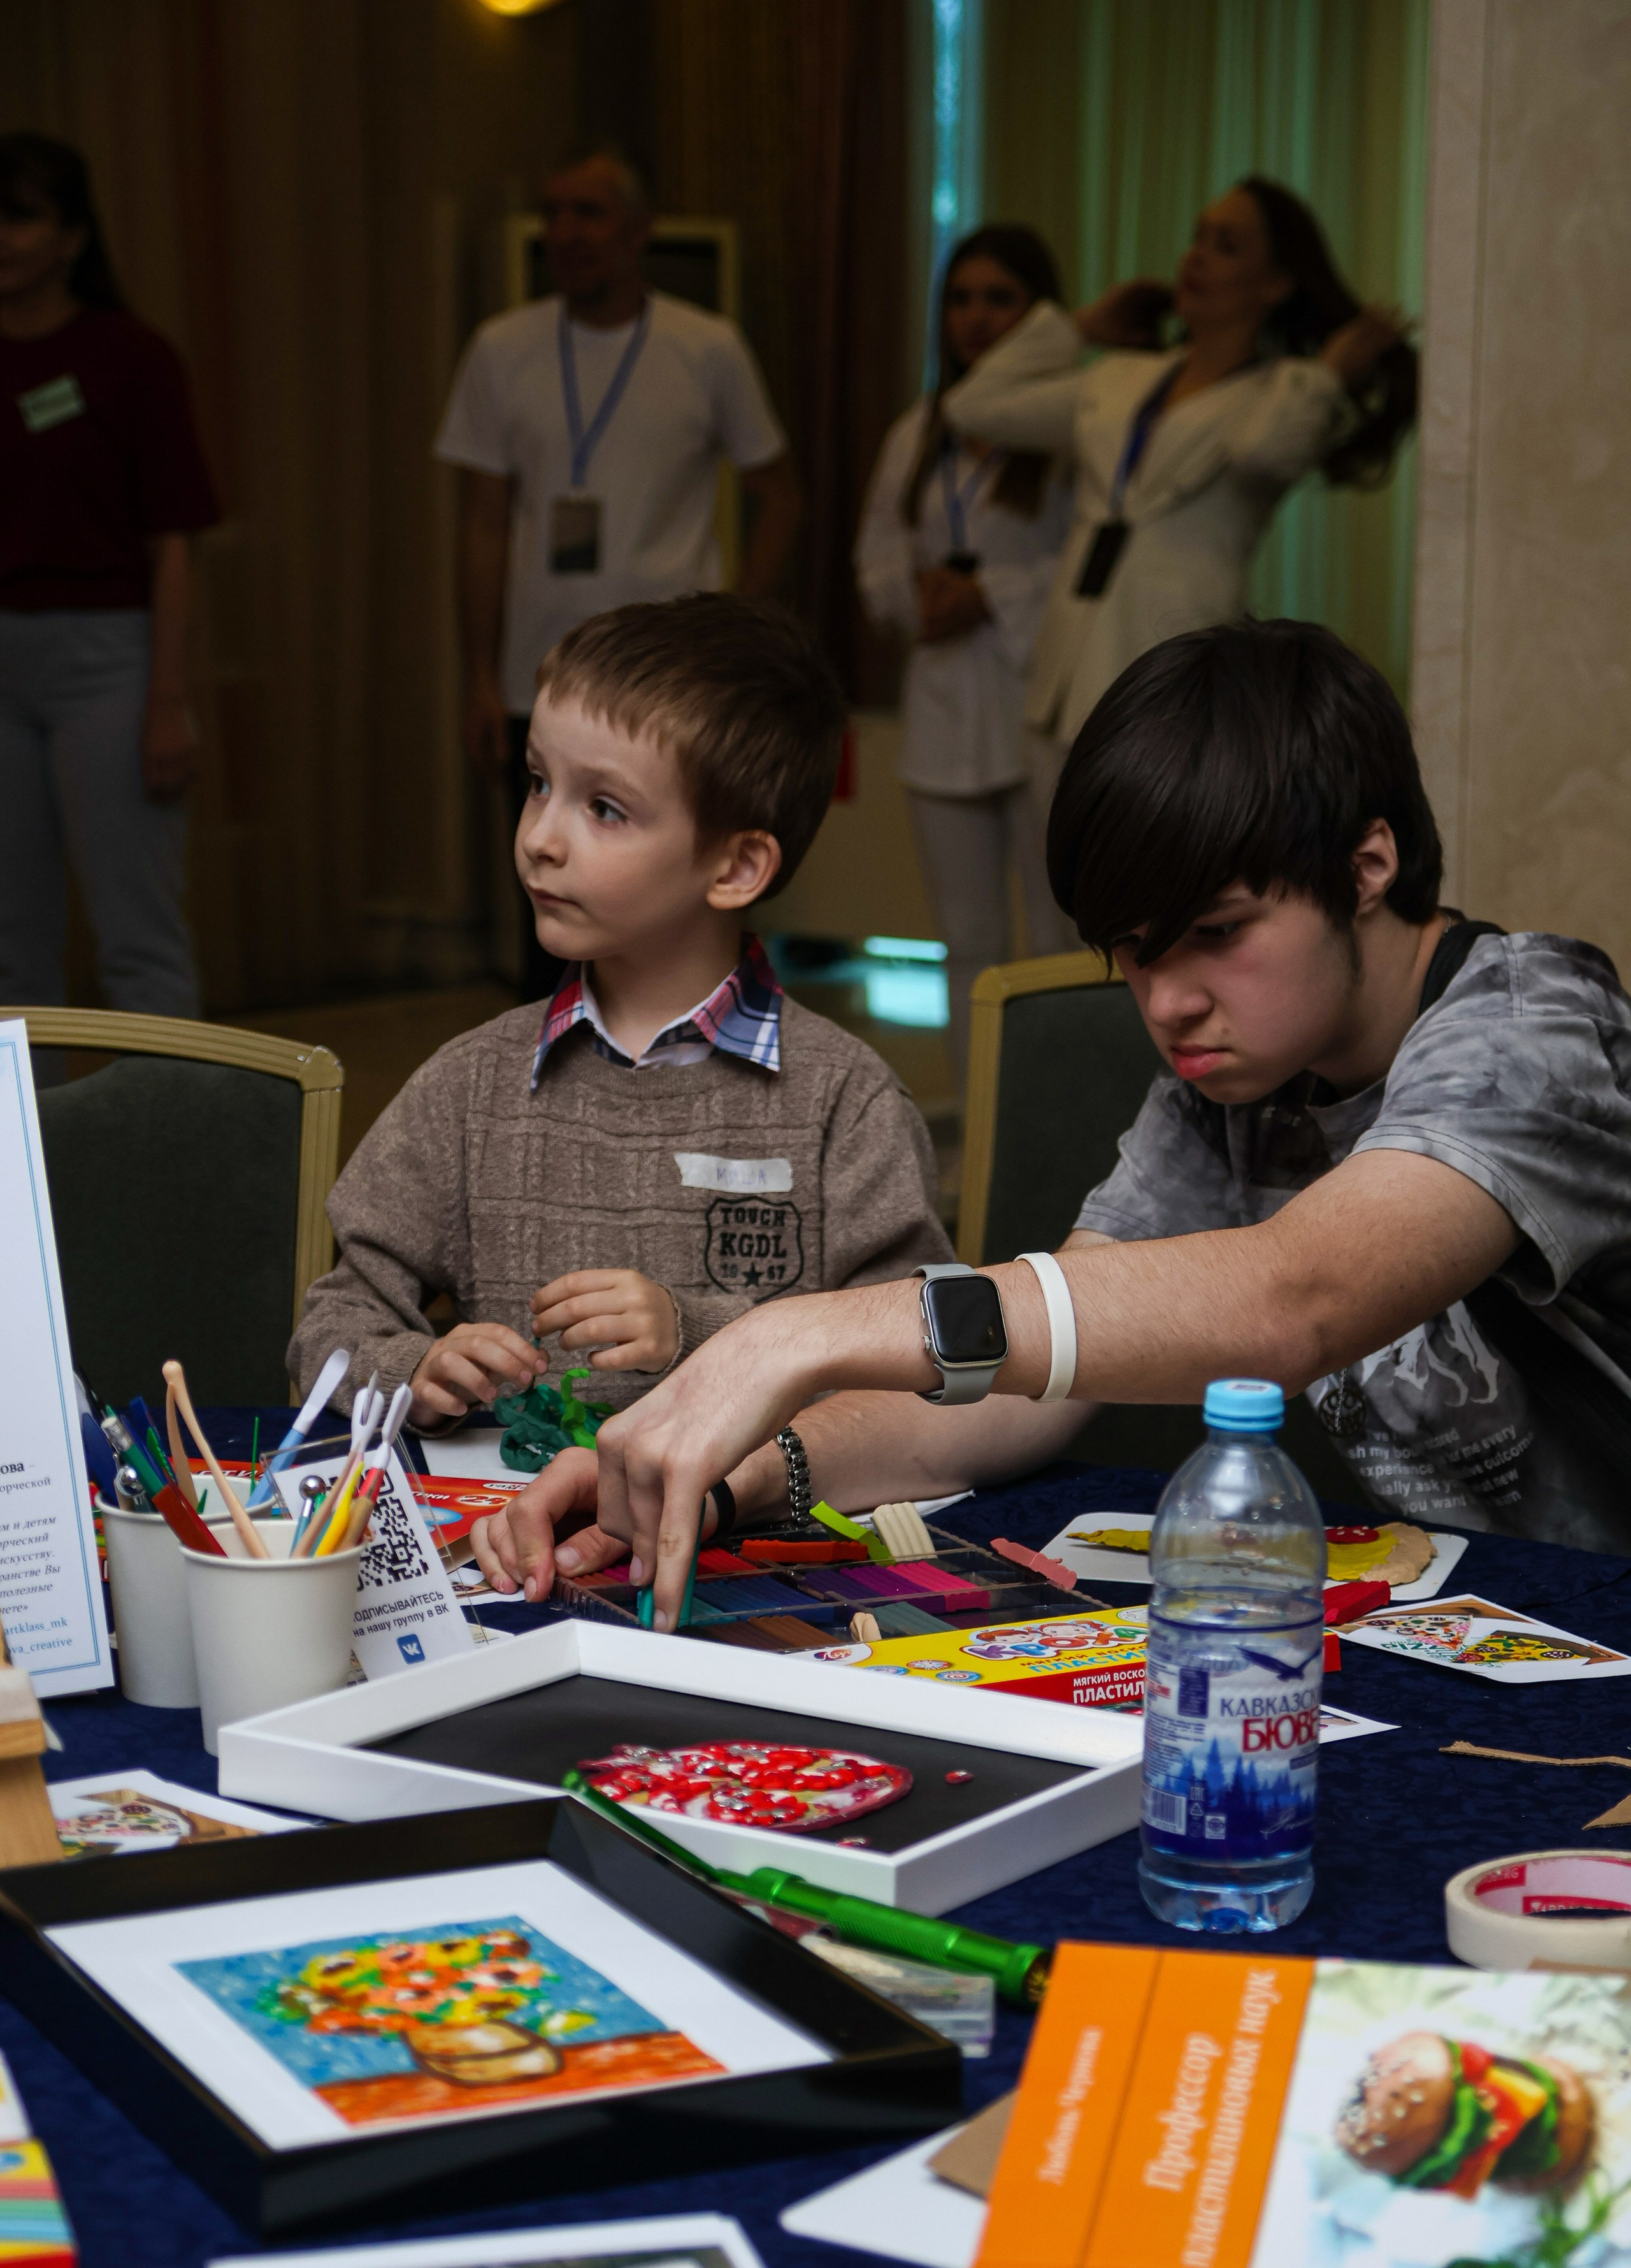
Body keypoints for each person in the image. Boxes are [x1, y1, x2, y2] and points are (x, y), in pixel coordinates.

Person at [473, 619, 1631, 1619]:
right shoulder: (1236, 1080)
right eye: (1134, 951)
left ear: (1369, 864)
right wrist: (723, 1477)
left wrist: (794, 1334)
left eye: (1217, 934)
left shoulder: (1535, 1028)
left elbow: (1297, 1301)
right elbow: (1042, 1375)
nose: (1166, 1004)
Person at [288, 593, 953, 1426]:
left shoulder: (844, 1102)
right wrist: (409, 1370)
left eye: (604, 808)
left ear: (736, 868)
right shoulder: (470, 1085)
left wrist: (697, 1332)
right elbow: (332, 1325)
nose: (540, 838)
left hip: (750, 1509)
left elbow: (914, 1358)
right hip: (512, 1508)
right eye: (538, 784)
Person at [436, 150, 803, 997]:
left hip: (673, 684)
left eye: (590, 213)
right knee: (553, 903)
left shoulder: (706, 347)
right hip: (543, 672)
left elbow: (782, 495)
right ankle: (557, 1069)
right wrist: (478, 676)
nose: (566, 233)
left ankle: (685, 1058)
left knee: (675, 906)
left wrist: (733, 633)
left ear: (638, 232)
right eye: (555, 214)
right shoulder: (502, 348)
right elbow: (482, 520)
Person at [942, 178, 1414, 811]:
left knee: (1148, 865)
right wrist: (1078, 327)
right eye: (1198, 238)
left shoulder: (1288, 392)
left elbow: (1262, 451)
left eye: (1226, 245)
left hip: (1171, 677)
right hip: (1063, 675)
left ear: (1276, 283)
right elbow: (971, 405)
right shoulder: (1117, 377)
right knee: (1049, 869)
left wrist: (1328, 374)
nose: (1197, 257)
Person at [0, 132, 217, 1016]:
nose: (1, 237)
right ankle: (22, 1118)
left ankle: (165, 1115)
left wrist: (166, 700)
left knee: (138, 938)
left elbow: (176, 541)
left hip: (107, 663)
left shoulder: (130, 358)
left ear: (73, 236)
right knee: (9, 949)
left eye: (20, 217)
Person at [854, 226, 1075, 1084]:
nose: (977, 318)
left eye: (1000, 299)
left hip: (1037, 706)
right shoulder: (919, 431)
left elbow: (1090, 564)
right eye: (961, 300)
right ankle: (984, 1125)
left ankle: (1058, 1128)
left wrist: (992, 593)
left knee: (1057, 939)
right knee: (966, 942)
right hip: (943, 705)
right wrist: (918, 598)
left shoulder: (1066, 428)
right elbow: (874, 555)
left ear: (1039, 315)